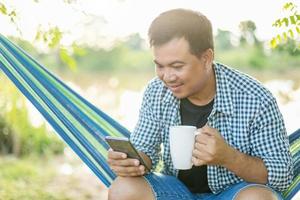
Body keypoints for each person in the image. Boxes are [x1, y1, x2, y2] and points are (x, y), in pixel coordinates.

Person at [107, 8, 293, 200]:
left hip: (233, 192)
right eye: (160, 66)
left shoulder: (256, 98)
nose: (167, 77)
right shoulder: (156, 91)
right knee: (123, 188)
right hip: (174, 191)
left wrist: (229, 157)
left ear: (206, 59)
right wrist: (130, 162)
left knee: (260, 198)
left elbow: (282, 177)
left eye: (177, 66)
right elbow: (145, 150)